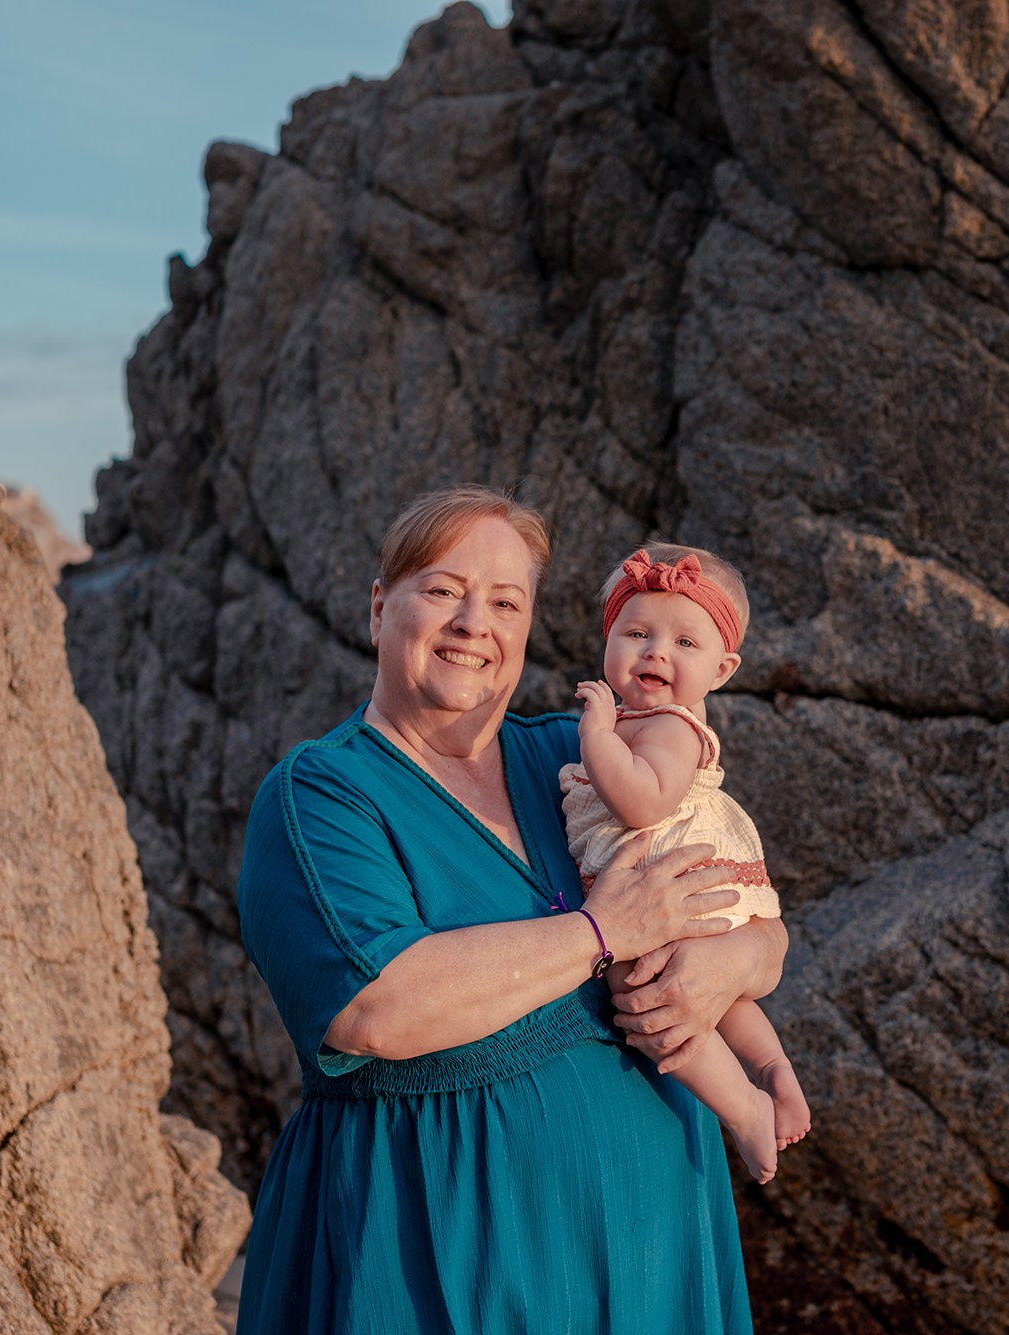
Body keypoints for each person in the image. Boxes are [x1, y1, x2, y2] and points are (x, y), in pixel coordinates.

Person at [234, 486, 783, 1333]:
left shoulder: (585, 762)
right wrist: (604, 932)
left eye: (504, 602)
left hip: (654, 1250)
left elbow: (759, 926)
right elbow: (375, 1008)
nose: (471, 624)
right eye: (443, 591)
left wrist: (732, 963)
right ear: (381, 609)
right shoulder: (321, 796)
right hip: (432, 1257)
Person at [562, 545, 810, 1183]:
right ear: (608, 639)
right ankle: (772, 1069)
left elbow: (642, 802)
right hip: (666, 887)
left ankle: (743, 1109)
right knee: (712, 996)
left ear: (723, 669)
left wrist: (593, 737)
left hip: (666, 877)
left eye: (684, 642)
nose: (656, 652)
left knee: (644, 993)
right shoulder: (637, 721)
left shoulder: (668, 726)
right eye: (637, 633)